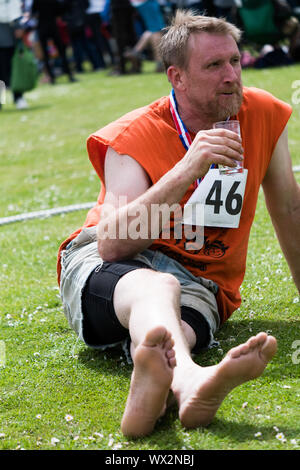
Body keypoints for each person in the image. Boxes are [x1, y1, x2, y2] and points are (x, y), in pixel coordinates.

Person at [57, 10, 300, 437]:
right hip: (108, 267)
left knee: (178, 329)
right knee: (157, 287)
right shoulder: (133, 135)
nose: (231, 76)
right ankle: (188, 380)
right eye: (213, 65)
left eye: (235, 61)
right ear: (178, 77)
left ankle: (160, 382)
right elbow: (114, 244)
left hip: (202, 282)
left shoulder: (262, 114)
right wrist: (188, 168)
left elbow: (290, 212)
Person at [31, 0, 76, 84]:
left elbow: (33, 13)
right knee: (61, 52)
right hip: (52, 26)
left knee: (46, 55)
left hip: (42, 27)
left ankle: (52, 78)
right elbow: (60, 11)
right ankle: (69, 75)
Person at [0, 0, 28, 109]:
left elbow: (15, 12)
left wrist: (18, 28)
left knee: (15, 70)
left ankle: (18, 97)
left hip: (10, 39)